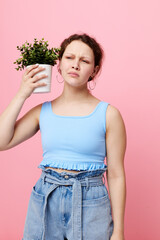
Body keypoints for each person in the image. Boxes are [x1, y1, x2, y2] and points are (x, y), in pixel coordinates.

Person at [0, 33, 127, 240]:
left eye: (84, 60)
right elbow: (1, 141)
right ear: (58, 65)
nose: (75, 65)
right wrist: (23, 93)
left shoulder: (109, 114)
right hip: (46, 198)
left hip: (91, 202)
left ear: (94, 71)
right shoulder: (42, 111)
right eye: (69, 58)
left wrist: (119, 232)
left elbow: (116, 175)